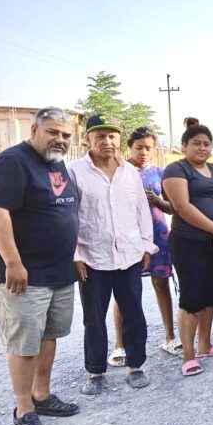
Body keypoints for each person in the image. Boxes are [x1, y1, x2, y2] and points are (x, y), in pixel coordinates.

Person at [0, 107, 80, 425]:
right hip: (22, 274)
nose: (60, 139)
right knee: (24, 344)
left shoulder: (56, 164)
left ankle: (42, 396)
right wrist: (13, 262)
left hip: (57, 271)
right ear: (34, 130)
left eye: (66, 135)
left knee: (49, 336)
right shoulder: (12, 162)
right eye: (53, 132)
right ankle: (23, 409)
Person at [68, 116, 158, 394]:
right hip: (93, 258)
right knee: (94, 317)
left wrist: (146, 245)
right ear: (87, 139)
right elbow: (68, 216)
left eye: (112, 136)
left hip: (129, 255)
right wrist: (75, 254)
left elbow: (142, 210)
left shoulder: (130, 172)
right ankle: (95, 372)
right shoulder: (74, 172)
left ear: (119, 139)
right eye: (100, 136)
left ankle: (136, 366)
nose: (107, 142)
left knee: (134, 313)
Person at [162, 124, 213, 376]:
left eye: (206, 143)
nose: (202, 147)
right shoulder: (176, 169)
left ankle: (205, 344)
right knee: (191, 297)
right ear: (184, 146)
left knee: (210, 295)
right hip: (188, 242)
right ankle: (187, 355)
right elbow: (182, 206)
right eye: (196, 143)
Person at [108, 127, 180, 368]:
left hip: (159, 237)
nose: (144, 152)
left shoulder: (161, 173)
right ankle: (120, 344)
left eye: (148, 148)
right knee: (125, 290)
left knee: (161, 285)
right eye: (139, 147)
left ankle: (170, 337)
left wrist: (159, 201)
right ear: (130, 147)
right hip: (128, 239)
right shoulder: (119, 172)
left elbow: (174, 208)